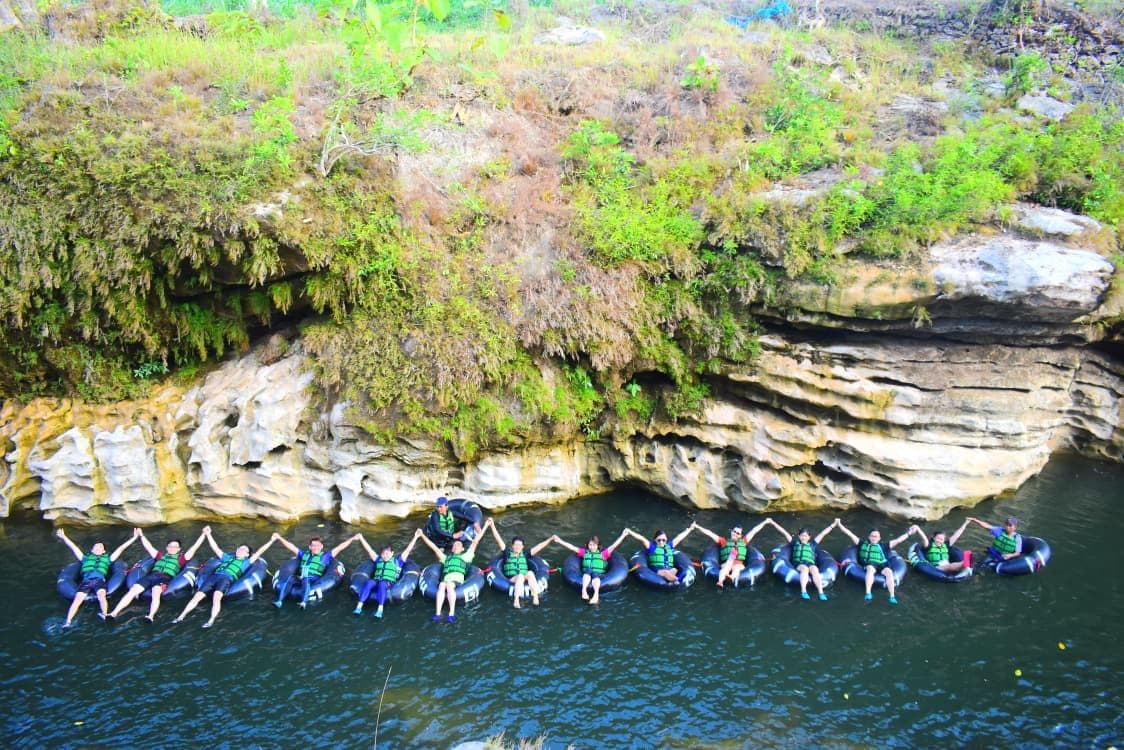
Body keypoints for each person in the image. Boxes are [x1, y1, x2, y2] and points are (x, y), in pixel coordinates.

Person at [171, 529, 276, 628]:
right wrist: (208, 534)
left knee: (216, 598)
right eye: (239, 548)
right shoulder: (227, 557)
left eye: (243, 550)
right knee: (196, 597)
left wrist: (271, 541)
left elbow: (260, 551)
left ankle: (211, 620)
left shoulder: (247, 561)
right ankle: (181, 617)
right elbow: (215, 548)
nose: (240, 550)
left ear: (247, 554)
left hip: (226, 579)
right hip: (213, 577)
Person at [108, 527, 209, 621]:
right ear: (167, 548)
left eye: (175, 547)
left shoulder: (181, 559)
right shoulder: (160, 556)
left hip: (165, 578)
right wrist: (141, 535)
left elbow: (194, 547)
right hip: (151, 576)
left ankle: (150, 616)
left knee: (156, 592)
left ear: (179, 549)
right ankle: (114, 613)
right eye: (170, 546)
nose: (172, 548)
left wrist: (203, 535)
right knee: (133, 590)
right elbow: (148, 547)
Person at [55, 527, 141, 627]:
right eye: (95, 547)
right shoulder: (85, 558)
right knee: (78, 598)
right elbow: (74, 547)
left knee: (101, 595)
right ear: (92, 550)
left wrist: (134, 538)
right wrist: (64, 537)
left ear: (104, 551)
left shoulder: (108, 559)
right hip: (86, 581)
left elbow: (121, 548)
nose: (97, 548)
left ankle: (104, 614)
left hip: (99, 580)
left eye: (100, 547)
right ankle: (68, 621)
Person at [416, 517, 493, 622]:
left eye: (459, 545)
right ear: (452, 549)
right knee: (442, 584)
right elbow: (434, 547)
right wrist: (422, 536)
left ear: (462, 549)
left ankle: (451, 613)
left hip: (457, 581)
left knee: (447, 585)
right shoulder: (446, 558)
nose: (456, 546)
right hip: (446, 580)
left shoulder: (466, 556)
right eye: (455, 545)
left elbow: (476, 541)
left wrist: (486, 526)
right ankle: (438, 613)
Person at [272, 532, 360, 609]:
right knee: (291, 578)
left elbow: (340, 547)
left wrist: (352, 539)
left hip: (314, 579)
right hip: (301, 577)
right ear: (310, 547)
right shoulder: (304, 554)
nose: (315, 547)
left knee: (306, 578)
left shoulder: (326, 556)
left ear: (321, 546)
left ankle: (303, 602)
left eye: (317, 546)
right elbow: (291, 547)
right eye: (313, 546)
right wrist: (279, 537)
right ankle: (279, 601)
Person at [836, 521, 913, 604]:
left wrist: (909, 533)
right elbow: (850, 534)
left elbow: (898, 540)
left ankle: (892, 596)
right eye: (872, 536)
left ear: (879, 538)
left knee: (889, 572)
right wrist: (840, 525)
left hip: (882, 565)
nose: (874, 538)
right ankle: (868, 593)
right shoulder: (862, 543)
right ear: (869, 537)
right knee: (870, 569)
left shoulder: (884, 546)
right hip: (870, 564)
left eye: (876, 536)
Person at [353, 530, 422, 618]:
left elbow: (408, 550)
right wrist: (361, 538)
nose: (385, 555)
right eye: (383, 554)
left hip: (389, 582)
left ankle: (380, 610)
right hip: (377, 580)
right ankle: (359, 607)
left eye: (387, 553)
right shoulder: (378, 560)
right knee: (370, 582)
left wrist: (415, 537)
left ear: (392, 553)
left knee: (382, 584)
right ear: (381, 554)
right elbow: (369, 550)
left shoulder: (398, 561)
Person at [765, 518, 838, 600]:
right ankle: (803, 591)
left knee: (814, 569)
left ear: (809, 537)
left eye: (806, 536)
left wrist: (834, 525)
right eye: (802, 535)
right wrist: (773, 523)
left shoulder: (813, 544)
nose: (804, 537)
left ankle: (821, 592)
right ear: (799, 536)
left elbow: (823, 534)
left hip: (810, 563)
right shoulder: (794, 543)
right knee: (805, 569)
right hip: (799, 563)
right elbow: (784, 532)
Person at [486, 523, 555, 608]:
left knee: (530, 573)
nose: (517, 547)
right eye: (516, 545)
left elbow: (539, 547)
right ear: (512, 546)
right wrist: (492, 525)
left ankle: (535, 596)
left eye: (520, 545)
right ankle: (516, 600)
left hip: (524, 576)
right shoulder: (507, 553)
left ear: (522, 547)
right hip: (512, 578)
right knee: (520, 576)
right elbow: (498, 539)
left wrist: (550, 539)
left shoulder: (525, 554)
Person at [553, 530, 630, 605]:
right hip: (587, 573)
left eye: (594, 545)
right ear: (587, 545)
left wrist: (623, 535)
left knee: (595, 576)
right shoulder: (584, 552)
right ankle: (584, 591)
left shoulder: (603, 554)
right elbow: (572, 547)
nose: (592, 547)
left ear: (597, 545)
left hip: (598, 574)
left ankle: (595, 595)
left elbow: (614, 545)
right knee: (587, 573)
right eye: (590, 545)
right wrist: (559, 541)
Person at [693, 519, 772, 588]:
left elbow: (754, 530)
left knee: (737, 568)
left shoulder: (743, 542)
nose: (735, 534)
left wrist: (765, 522)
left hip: (738, 563)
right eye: (734, 531)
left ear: (740, 536)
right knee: (726, 567)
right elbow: (710, 534)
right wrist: (698, 527)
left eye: (738, 533)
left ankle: (731, 577)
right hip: (727, 562)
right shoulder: (723, 541)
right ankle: (720, 582)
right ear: (731, 532)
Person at [624, 524, 697, 584]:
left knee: (675, 569)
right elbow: (642, 539)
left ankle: (672, 580)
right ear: (655, 540)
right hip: (657, 570)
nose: (661, 542)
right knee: (666, 572)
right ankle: (678, 581)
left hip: (669, 569)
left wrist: (690, 529)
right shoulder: (652, 547)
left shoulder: (669, 546)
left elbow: (680, 537)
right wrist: (630, 532)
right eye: (659, 540)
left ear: (666, 540)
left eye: (663, 540)